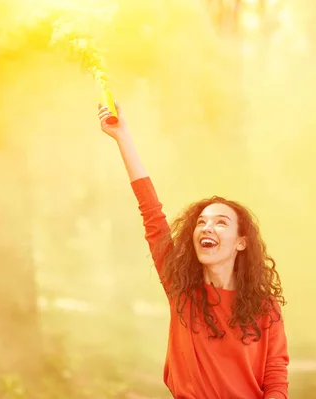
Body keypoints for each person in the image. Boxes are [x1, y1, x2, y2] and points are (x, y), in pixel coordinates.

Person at [97, 103, 289, 399]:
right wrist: (123, 137)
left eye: (221, 222)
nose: (207, 228)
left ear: (241, 242)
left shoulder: (266, 308)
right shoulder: (182, 292)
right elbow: (152, 215)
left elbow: (275, 378)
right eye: (201, 222)